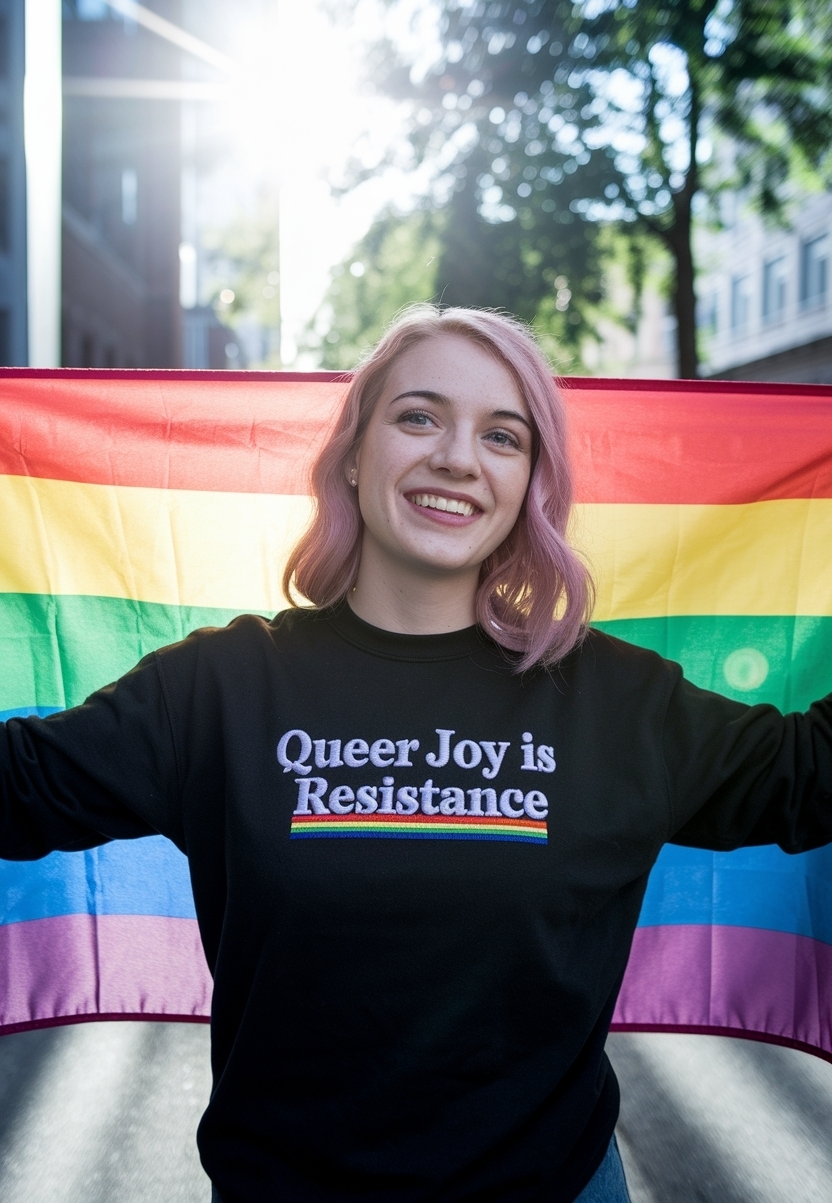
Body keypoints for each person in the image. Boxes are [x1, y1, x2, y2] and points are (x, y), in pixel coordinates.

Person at [2, 304, 832, 1203]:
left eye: (503, 437)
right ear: (354, 455)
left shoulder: (618, 701)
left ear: (529, 484)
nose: (457, 458)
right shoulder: (218, 689)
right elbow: (17, 790)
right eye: (419, 417)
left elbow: (810, 776)